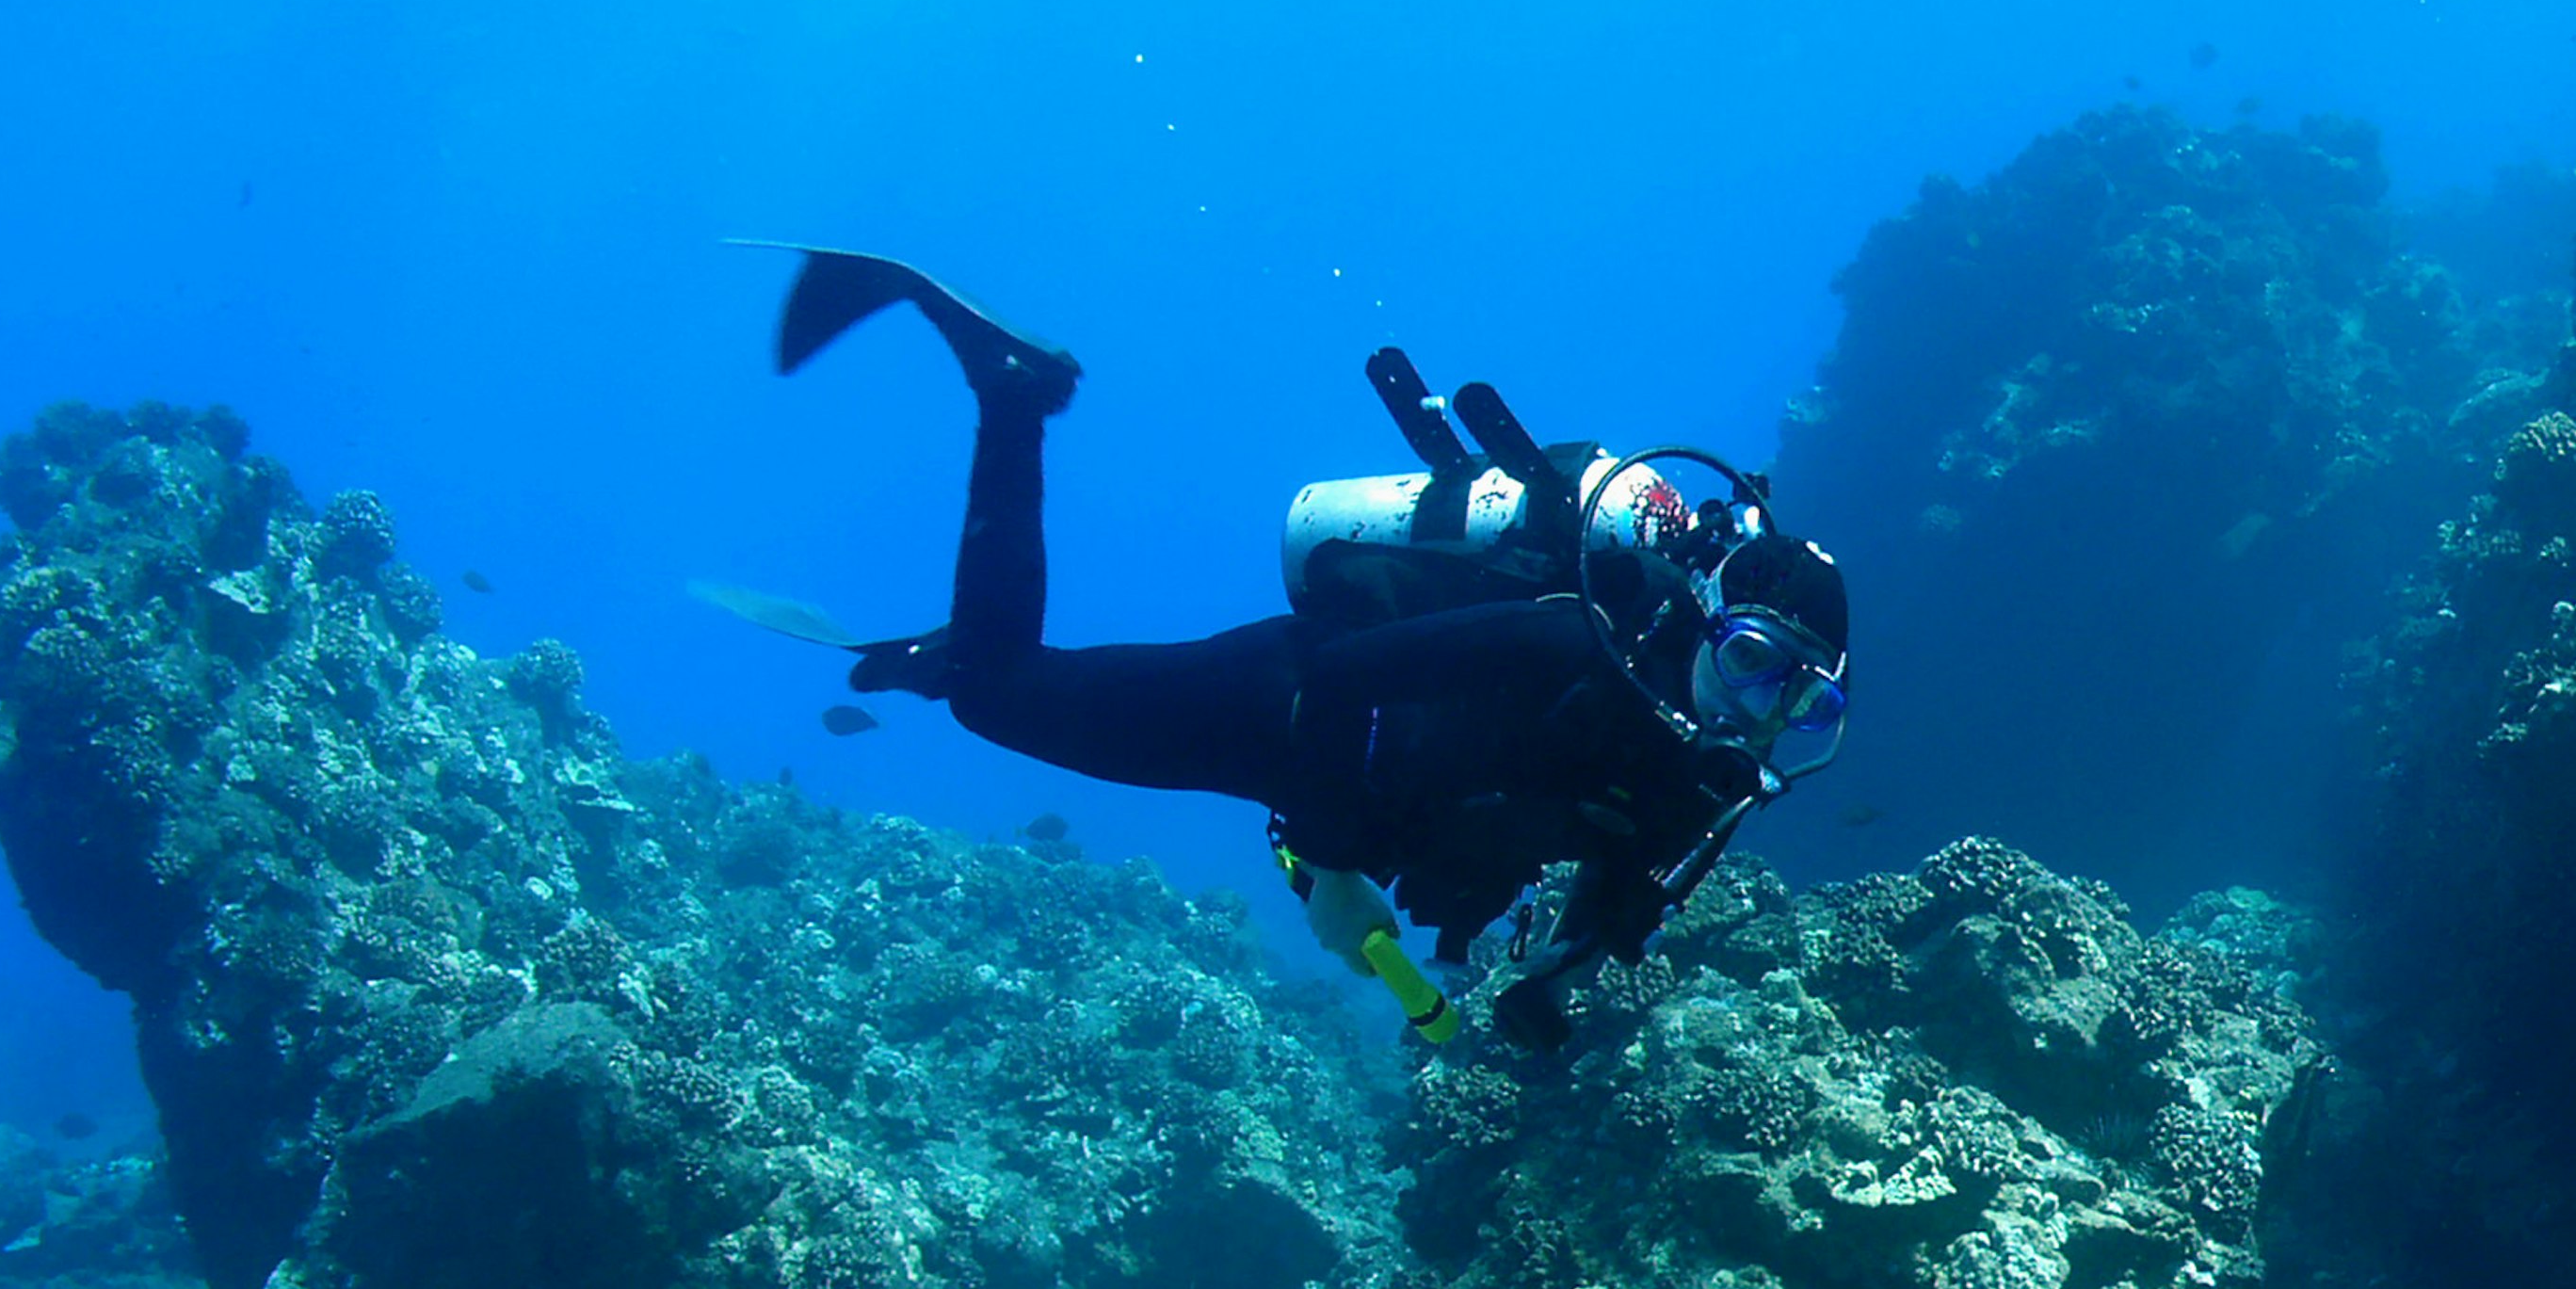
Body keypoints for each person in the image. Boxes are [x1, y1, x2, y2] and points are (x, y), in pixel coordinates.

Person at [752, 247, 1849, 1051]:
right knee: (1002, 696)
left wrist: (1539, 986)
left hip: (1330, 780)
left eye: (1802, 707)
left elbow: (1617, 890)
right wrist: (1331, 872)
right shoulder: (1569, 642)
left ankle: (953, 645)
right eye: (1752, 660)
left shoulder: (1710, 777)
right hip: (1278, 705)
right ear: (1708, 615)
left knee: (1008, 683)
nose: (1755, 713)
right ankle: (1015, 395)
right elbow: (1336, 676)